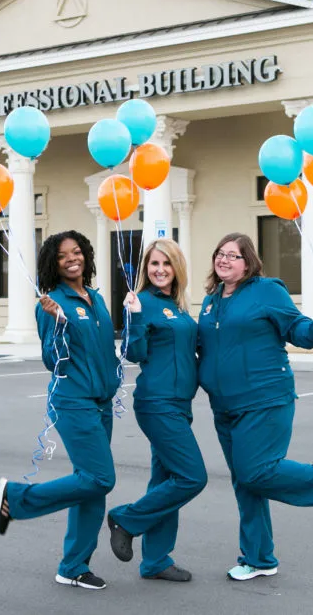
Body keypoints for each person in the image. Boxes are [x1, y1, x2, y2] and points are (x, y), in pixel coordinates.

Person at [197, 232, 313, 582]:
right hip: (224, 406)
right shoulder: (211, 301)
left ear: (248, 262)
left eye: (233, 255)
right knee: (246, 483)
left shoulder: (266, 290)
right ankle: (259, 559)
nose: (224, 259)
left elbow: (295, 327)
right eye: (220, 253)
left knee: (256, 472)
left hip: (264, 398)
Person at [0, 230, 119, 590]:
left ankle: (73, 566)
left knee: (91, 485)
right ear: (54, 262)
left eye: (76, 252)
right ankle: (16, 498)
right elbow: (52, 359)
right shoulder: (51, 303)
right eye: (63, 255)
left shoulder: (96, 298)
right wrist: (59, 323)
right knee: (100, 478)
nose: (71, 259)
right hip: (73, 401)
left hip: (101, 402)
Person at [106, 238, 206, 583]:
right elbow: (134, 353)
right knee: (192, 477)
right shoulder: (142, 302)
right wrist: (133, 316)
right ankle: (125, 519)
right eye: (154, 264)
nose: (160, 270)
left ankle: (155, 560)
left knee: (166, 480)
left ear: (177, 268)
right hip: (157, 404)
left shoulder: (178, 306)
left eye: (166, 263)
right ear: (145, 269)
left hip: (180, 403)